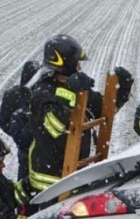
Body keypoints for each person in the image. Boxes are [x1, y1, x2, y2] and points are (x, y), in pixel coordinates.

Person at [27, 34, 133, 194]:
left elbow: (102, 111)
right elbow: (55, 126)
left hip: (74, 174)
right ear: (66, 64)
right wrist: (72, 93)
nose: (80, 68)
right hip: (49, 182)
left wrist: (122, 92)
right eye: (76, 63)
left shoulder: (76, 87)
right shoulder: (42, 92)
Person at [0, 60, 40, 181]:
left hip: (41, 148)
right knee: (25, 177)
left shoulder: (43, 94)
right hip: (25, 150)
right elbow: (4, 122)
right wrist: (19, 135)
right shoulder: (12, 95)